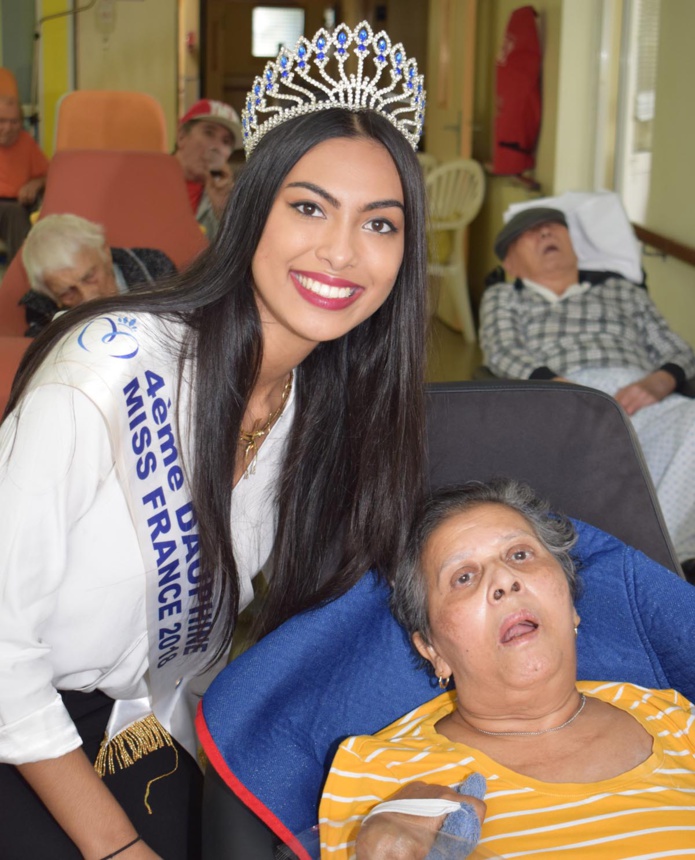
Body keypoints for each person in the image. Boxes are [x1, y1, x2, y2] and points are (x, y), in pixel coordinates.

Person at [0, 21, 427, 860]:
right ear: (248, 207)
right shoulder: (108, 371)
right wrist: (117, 849)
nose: (342, 252)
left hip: (151, 720)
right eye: (309, 207)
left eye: (380, 224)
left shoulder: (325, 401)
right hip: (24, 717)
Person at [319, 479, 695, 859]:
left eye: (519, 555)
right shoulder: (381, 771)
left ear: (571, 604)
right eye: (463, 577)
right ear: (432, 650)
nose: (503, 580)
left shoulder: (676, 720)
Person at [479, 206, 695, 567]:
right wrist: (566, 390)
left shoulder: (623, 291)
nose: (546, 234)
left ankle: (661, 557)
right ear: (510, 264)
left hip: (640, 391)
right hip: (560, 396)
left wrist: (658, 382)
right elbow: (503, 351)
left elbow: (676, 349)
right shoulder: (506, 297)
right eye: (531, 232)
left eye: (554, 228)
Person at [20, 214, 176, 335]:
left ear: (105, 252)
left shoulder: (154, 267)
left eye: (89, 277)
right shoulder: (42, 312)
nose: (88, 298)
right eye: (67, 293)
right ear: (51, 295)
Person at [174, 98, 243, 241]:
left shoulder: (229, 198)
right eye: (209, 133)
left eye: (226, 141)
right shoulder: (147, 177)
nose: (216, 147)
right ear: (181, 136)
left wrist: (225, 211)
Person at [0, 94, 49, 263]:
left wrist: (35, 183)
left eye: (14, 122)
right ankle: (23, 274)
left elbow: (48, 175)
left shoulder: (26, 142)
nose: (8, 128)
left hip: (22, 203)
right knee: (14, 213)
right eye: (2, 121)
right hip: (9, 208)